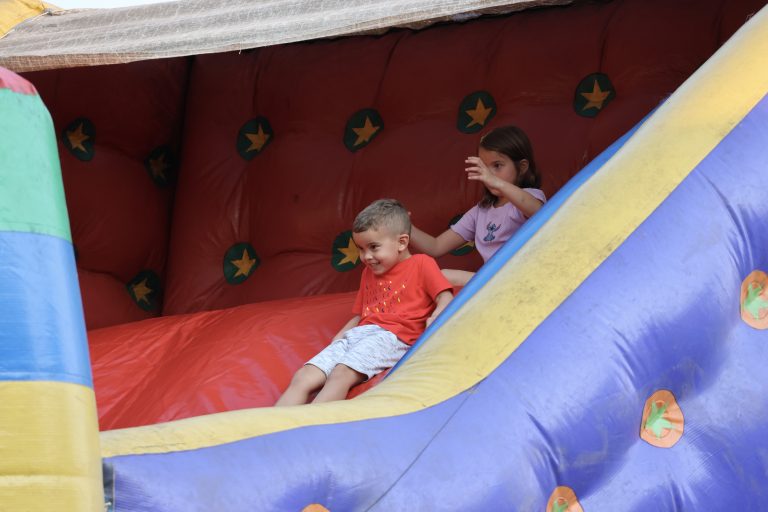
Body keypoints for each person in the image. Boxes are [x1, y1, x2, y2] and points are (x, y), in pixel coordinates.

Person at [275, 199, 453, 406]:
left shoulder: (421, 263)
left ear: (402, 243)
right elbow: (362, 314)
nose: (366, 256)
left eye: (374, 247)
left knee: (341, 373)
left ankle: (313, 422)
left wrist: (436, 317)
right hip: (359, 335)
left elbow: (445, 296)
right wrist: (339, 339)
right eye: (361, 249)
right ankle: (270, 424)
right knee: (304, 376)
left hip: (393, 336)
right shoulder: (369, 273)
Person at [409, 125, 546, 286]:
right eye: (484, 167)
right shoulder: (481, 211)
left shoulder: (531, 196)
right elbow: (436, 247)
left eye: (497, 166)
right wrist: (406, 227)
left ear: (522, 167)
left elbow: (538, 212)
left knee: (445, 276)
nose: (488, 174)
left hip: (524, 278)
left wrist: (496, 182)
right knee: (439, 276)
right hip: (493, 283)